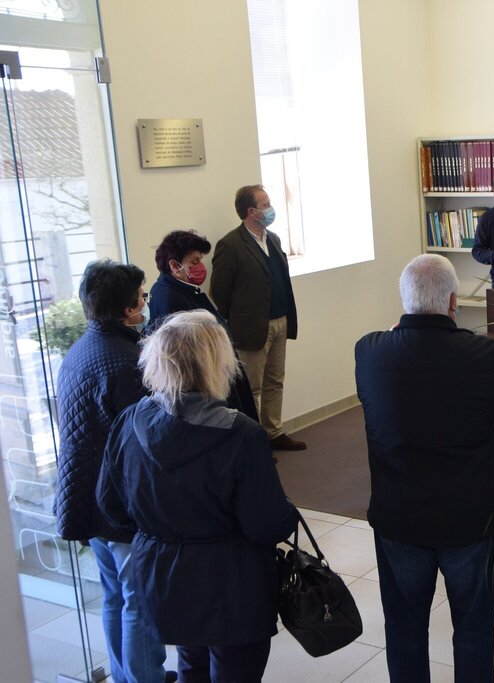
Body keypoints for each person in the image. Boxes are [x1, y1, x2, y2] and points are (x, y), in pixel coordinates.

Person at [96, 310, 298, 683]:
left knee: (192, 667)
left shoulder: (129, 422)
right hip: (232, 587)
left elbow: (110, 506)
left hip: (164, 581)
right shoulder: (241, 435)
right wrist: (289, 514)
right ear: (217, 363)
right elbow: (266, 524)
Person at [355, 254, 494, 681]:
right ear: (453, 303)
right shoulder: (481, 354)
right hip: (470, 519)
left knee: (405, 628)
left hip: (399, 518)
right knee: (474, 626)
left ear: (404, 301)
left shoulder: (369, 353)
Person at [53, 260, 174, 683]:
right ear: (127, 310)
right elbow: (143, 443)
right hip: (119, 504)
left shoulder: (80, 350)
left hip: (86, 496)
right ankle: (145, 678)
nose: (145, 303)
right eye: (141, 297)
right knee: (139, 600)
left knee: (115, 596)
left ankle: (127, 676)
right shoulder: (127, 363)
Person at [210, 184, 306, 451]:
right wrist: (236, 321)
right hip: (251, 327)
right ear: (251, 211)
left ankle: (274, 432)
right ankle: (253, 442)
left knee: (275, 380)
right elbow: (220, 292)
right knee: (251, 387)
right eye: (265, 204)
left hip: (280, 320)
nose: (270, 208)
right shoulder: (230, 245)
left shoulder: (272, 239)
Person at [147, 229, 259, 423]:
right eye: (194, 262)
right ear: (174, 265)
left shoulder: (184, 290)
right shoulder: (170, 297)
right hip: (205, 384)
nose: (201, 267)